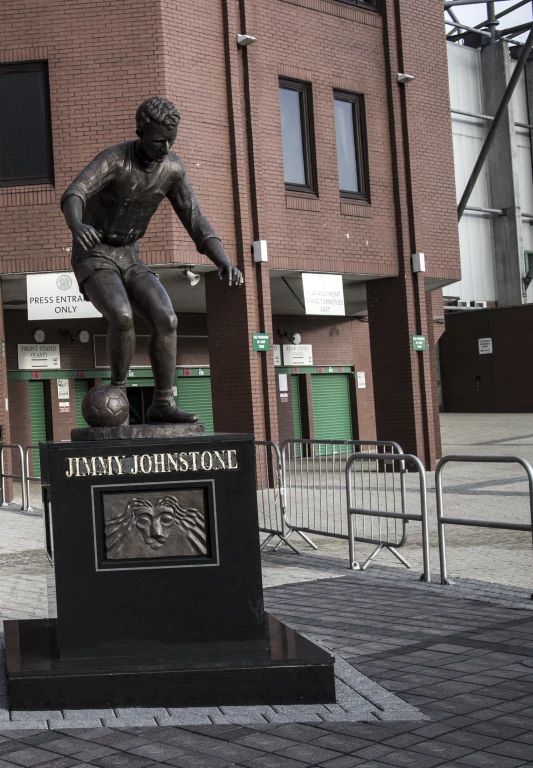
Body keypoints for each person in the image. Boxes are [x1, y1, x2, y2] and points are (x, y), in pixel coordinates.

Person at [61, 96, 243, 424]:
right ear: (140, 132)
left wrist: (224, 261)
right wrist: (77, 225)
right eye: (159, 140)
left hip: (130, 255)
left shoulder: (172, 169)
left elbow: (195, 218)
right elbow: (75, 192)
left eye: (171, 140)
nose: (166, 147)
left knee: (167, 318)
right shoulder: (115, 160)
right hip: (95, 251)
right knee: (122, 314)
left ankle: (162, 402)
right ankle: (117, 393)